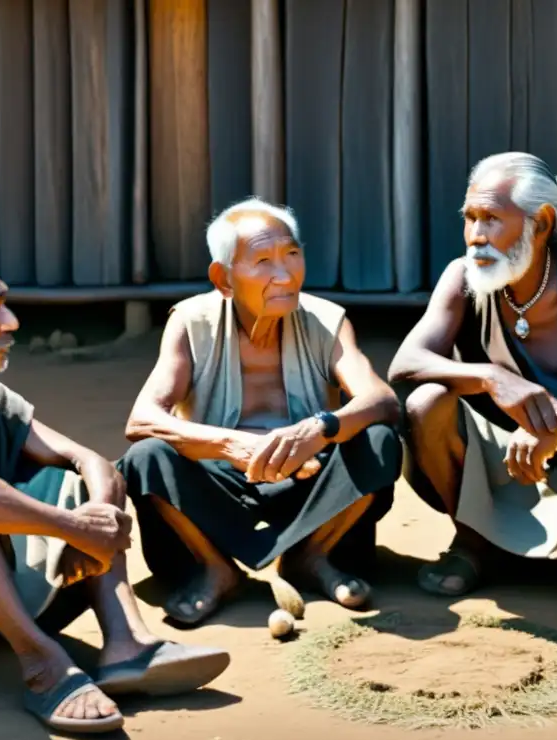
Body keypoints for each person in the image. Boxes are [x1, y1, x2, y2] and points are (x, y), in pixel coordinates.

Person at [0, 237, 230, 736]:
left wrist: (93, 520)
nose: (11, 322)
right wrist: (72, 528)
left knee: (71, 484)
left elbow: (90, 460)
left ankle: (127, 643)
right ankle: (41, 663)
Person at [388, 151, 557, 614]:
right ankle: (473, 542)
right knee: (425, 402)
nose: (476, 236)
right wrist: (491, 377)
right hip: (491, 456)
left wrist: (555, 418)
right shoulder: (461, 277)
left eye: (492, 219)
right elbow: (406, 362)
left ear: (540, 224)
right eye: (470, 218)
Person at [120, 197, 402, 627]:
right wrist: (233, 445)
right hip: (220, 480)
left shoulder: (327, 320)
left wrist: (319, 429)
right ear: (224, 278)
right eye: (264, 261)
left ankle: (313, 556)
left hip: (310, 479)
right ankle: (215, 568)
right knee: (147, 457)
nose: (285, 275)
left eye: (292, 255)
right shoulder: (192, 321)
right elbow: (142, 420)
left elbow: (381, 400)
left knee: (379, 439)